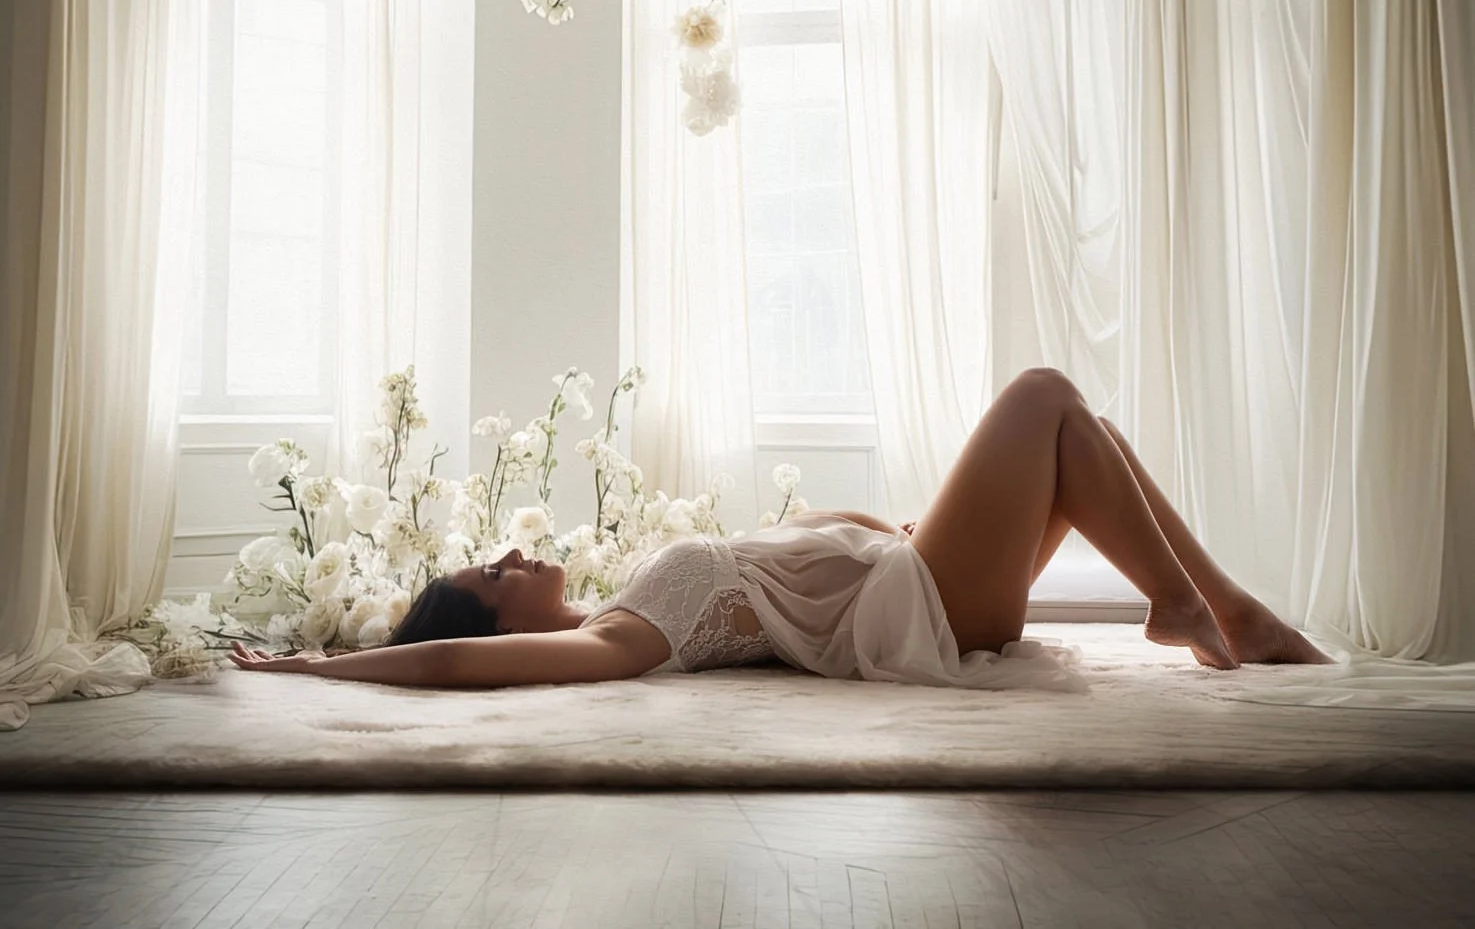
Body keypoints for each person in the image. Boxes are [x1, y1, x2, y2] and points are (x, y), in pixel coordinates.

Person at [229, 367, 1330, 690]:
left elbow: (799, 566)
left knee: (1085, 430)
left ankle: (1223, 608)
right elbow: (465, 663)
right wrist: (316, 669)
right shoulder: (614, 638)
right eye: (494, 569)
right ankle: (1190, 604)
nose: (514, 553)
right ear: (498, 610)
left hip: (914, 575)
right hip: (924, 613)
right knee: (1041, 392)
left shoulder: (640, 592)